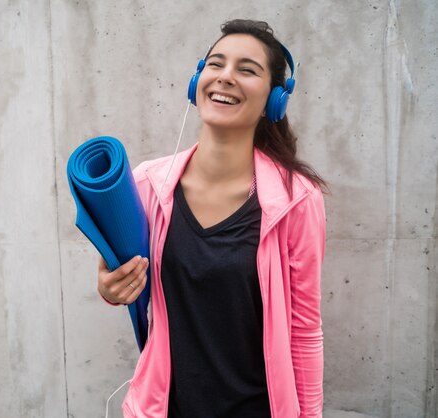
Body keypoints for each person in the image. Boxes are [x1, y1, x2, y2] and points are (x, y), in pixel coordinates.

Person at [97, 19, 327, 418]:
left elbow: (304, 332)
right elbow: (121, 275)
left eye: (247, 69)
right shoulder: (149, 184)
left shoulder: (297, 200)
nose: (225, 77)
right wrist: (110, 286)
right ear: (196, 81)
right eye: (215, 64)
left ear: (275, 99)